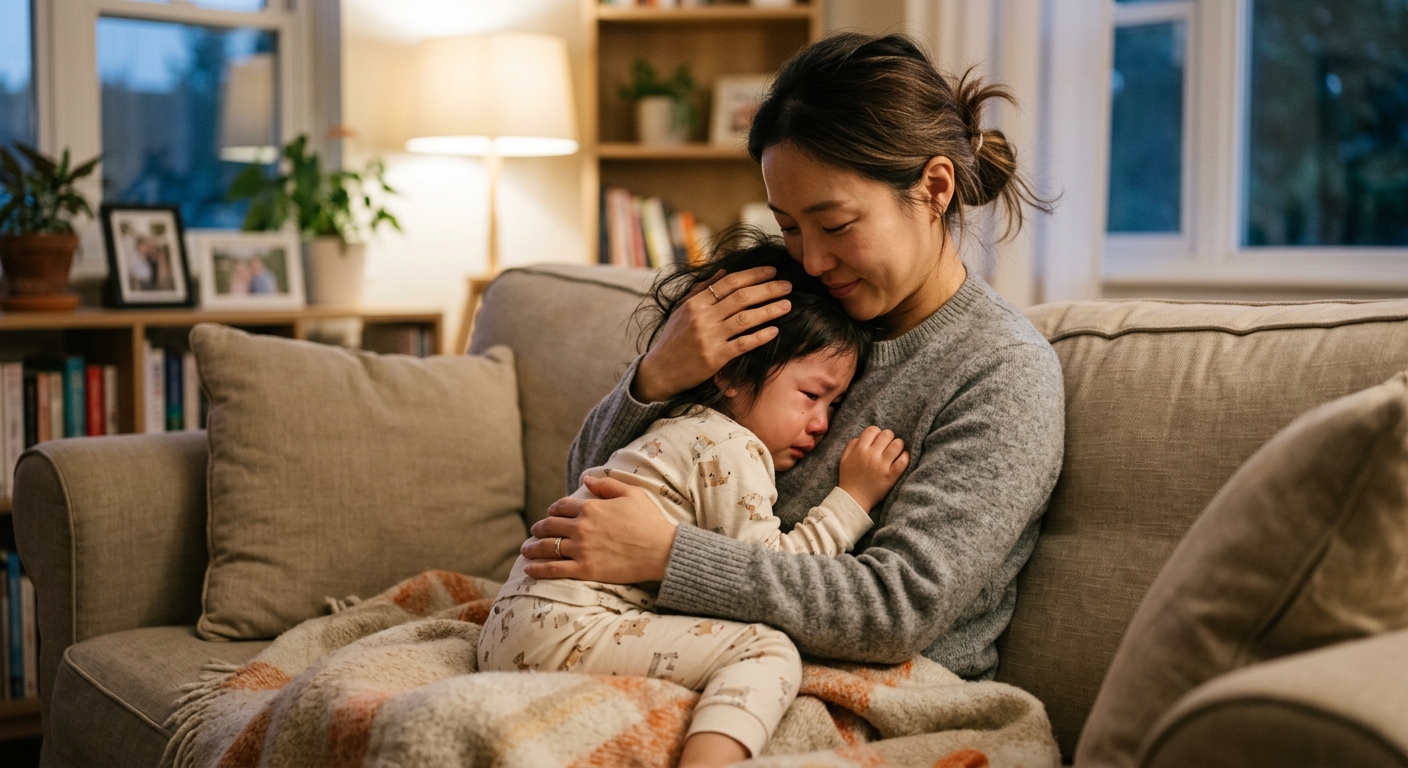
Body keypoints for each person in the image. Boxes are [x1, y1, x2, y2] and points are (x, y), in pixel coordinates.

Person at [521, 31, 1066, 687]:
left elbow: (897, 609)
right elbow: (589, 510)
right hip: (676, 657)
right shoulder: (790, 304)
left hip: (864, 691)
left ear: (935, 187)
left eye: (835, 225)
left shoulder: (1002, 372)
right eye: (788, 227)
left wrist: (668, 556)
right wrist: (654, 377)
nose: (812, 259)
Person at [481, 234, 911, 768]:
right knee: (767, 650)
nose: (822, 424)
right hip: (565, 631)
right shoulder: (729, 448)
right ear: (730, 372)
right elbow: (772, 574)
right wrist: (853, 499)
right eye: (811, 396)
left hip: (513, 629)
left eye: (835, 403)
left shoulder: (677, 429)